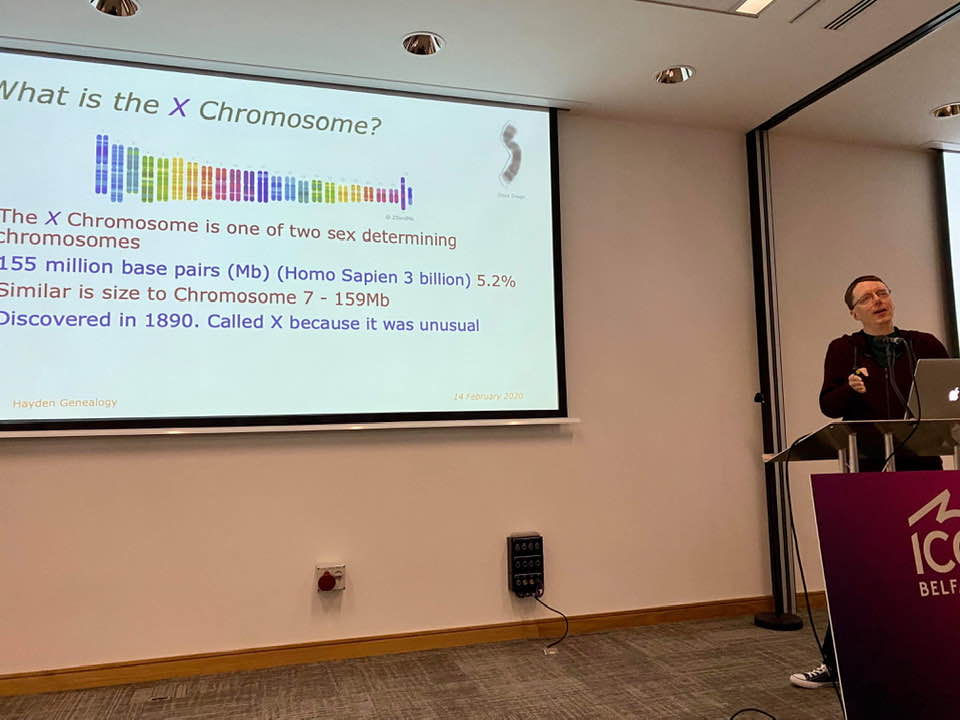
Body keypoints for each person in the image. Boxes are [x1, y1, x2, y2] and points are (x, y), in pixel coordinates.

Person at [789, 274, 949, 690]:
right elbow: (829, 405)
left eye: (882, 293)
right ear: (854, 312)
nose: (878, 301)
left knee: (926, 569)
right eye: (867, 298)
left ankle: (934, 653)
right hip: (869, 468)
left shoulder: (924, 344)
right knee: (865, 567)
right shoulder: (845, 349)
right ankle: (837, 663)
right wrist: (850, 387)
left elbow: (951, 393)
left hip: (922, 467)